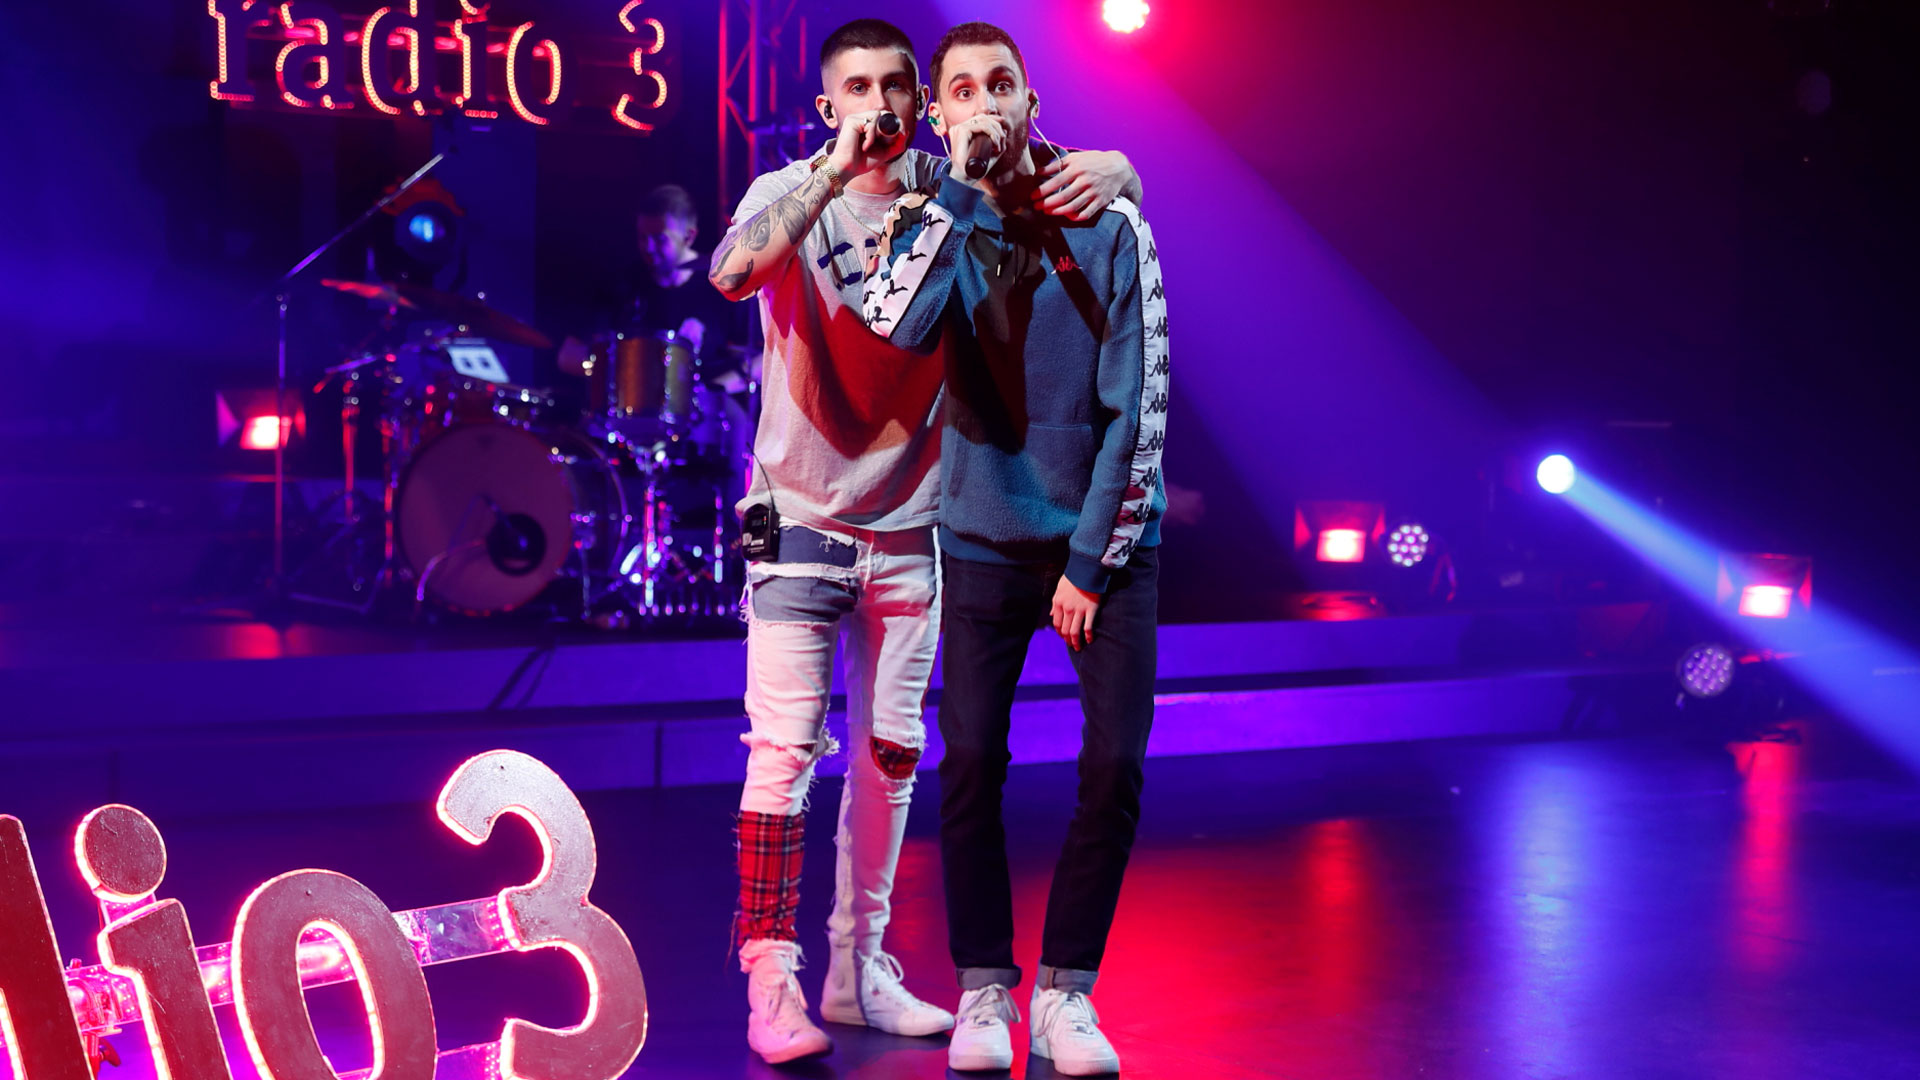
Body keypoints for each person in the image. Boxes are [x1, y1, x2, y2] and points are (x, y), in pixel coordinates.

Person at [706, 17, 1144, 1066]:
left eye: (896, 87)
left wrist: (1124, 165)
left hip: (912, 522)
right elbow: (730, 273)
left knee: (890, 760)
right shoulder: (789, 190)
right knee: (783, 754)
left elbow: (1034, 164)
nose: (879, 106)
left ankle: (860, 969)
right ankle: (772, 978)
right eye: (857, 89)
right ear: (829, 106)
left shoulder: (949, 197)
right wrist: (829, 172)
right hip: (799, 516)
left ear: (923, 104)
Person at [861, 20, 1169, 1076]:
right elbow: (892, 328)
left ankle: (1068, 994)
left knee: (1114, 764)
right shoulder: (935, 220)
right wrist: (957, 192)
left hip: (1101, 543)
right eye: (962, 90)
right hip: (985, 533)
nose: (984, 102)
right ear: (939, 116)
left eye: (1002, 84)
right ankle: (984, 987)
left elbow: (1140, 406)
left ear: (1032, 104)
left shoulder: (1110, 220)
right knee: (972, 765)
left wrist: (1088, 563)